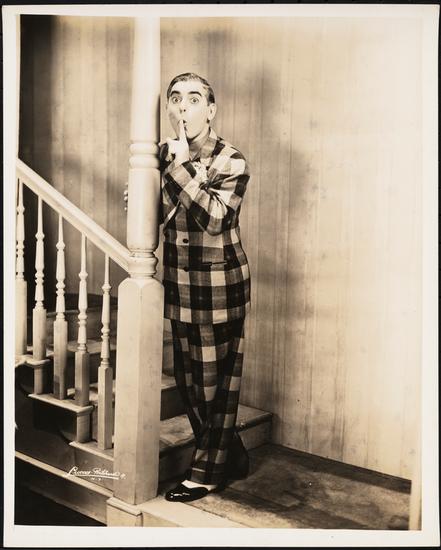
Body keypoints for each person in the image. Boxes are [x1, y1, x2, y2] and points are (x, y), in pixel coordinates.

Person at [158, 72, 251, 502]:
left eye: (194, 99)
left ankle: (207, 474)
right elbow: (163, 216)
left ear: (210, 110)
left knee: (215, 385)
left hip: (219, 284)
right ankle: (231, 454)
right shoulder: (163, 155)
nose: (183, 107)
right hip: (179, 285)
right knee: (190, 382)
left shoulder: (232, 160)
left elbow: (214, 219)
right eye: (176, 98)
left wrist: (178, 166)